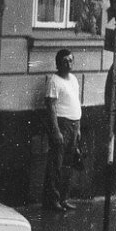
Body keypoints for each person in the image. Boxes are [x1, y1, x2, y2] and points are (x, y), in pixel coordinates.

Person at [42, 49, 83, 212]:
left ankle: (64, 198)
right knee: (56, 165)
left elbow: (76, 102)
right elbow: (50, 106)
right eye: (65, 61)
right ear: (58, 63)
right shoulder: (54, 81)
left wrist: (78, 128)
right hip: (62, 124)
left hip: (74, 124)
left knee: (68, 164)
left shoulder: (73, 79)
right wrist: (56, 130)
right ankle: (52, 200)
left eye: (71, 60)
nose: (69, 64)